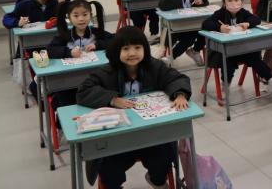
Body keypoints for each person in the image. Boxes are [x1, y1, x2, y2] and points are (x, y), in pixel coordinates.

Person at [77, 26, 191, 189]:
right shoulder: (107, 71)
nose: (132, 53)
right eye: (126, 49)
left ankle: (157, 180)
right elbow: (84, 90)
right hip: (117, 138)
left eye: (137, 48)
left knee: (163, 158)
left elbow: (176, 78)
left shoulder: (154, 66)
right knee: (109, 168)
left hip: (150, 134)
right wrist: (112, 99)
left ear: (145, 49)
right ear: (117, 51)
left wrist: (180, 94)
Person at [202, 0, 272, 91]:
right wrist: (219, 27)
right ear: (224, 3)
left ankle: (271, 80)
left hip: (243, 49)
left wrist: (248, 23)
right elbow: (205, 24)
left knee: (255, 58)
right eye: (229, 0)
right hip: (225, 52)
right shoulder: (220, 13)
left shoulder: (243, 12)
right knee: (227, 62)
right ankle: (225, 83)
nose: (233, 3)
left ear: (241, 2)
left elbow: (256, 19)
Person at [47, 0, 113, 110]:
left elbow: (114, 40)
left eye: (85, 14)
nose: (81, 19)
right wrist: (69, 52)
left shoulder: (97, 33)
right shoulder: (64, 36)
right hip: (69, 78)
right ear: (69, 18)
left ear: (91, 15)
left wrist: (97, 45)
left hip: (94, 76)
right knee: (65, 98)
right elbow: (50, 50)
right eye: (76, 15)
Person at [158, 0, 208, 65]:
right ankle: (174, 57)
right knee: (190, 37)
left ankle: (195, 50)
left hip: (192, 22)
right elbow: (162, 6)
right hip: (177, 25)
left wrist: (200, 0)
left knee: (207, 28)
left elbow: (205, 1)